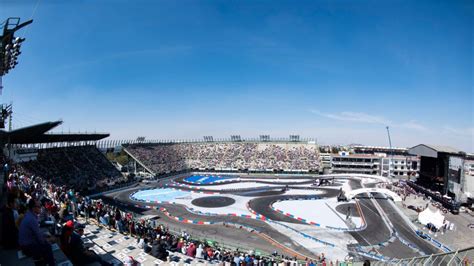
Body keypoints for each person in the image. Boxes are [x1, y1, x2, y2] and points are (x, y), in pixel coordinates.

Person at [18, 198, 56, 265]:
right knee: (47, 246)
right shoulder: (32, 219)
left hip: (25, 243)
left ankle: (46, 259)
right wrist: (49, 239)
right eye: (39, 206)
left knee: (45, 239)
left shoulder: (29, 214)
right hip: (27, 247)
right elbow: (40, 239)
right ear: (33, 208)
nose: (41, 208)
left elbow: (36, 233)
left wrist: (44, 235)